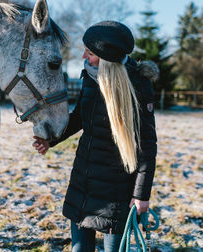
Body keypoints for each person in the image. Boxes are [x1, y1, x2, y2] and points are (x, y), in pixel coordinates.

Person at [33, 21, 158, 252]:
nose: (83, 56)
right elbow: (80, 117)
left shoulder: (138, 86)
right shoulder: (90, 77)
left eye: (89, 52)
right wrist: (51, 140)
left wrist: (142, 196)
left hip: (117, 189)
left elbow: (147, 147)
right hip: (84, 178)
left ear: (106, 57)